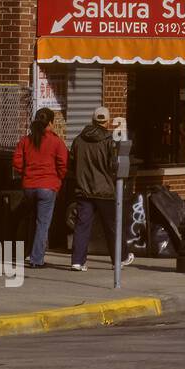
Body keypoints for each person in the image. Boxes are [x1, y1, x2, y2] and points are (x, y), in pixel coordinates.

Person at [69, 106, 133, 272]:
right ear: (107, 122)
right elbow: (114, 166)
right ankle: (120, 259)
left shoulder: (78, 140)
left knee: (82, 225)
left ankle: (77, 261)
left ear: (92, 120)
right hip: (104, 190)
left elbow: (72, 163)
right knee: (112, 226)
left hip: (83, 189)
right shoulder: (108, 141)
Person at [12, 108, 68, 269]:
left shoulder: (25, 140)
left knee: (33, 220)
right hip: (48, 186)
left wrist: (26, 172)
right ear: (50, 123)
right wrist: (58, 178)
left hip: (29, 186)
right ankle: (36, 259)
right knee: (43, 223)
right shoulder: (56, 141)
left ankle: (30, 252)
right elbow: (62, 164)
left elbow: (16, 162)